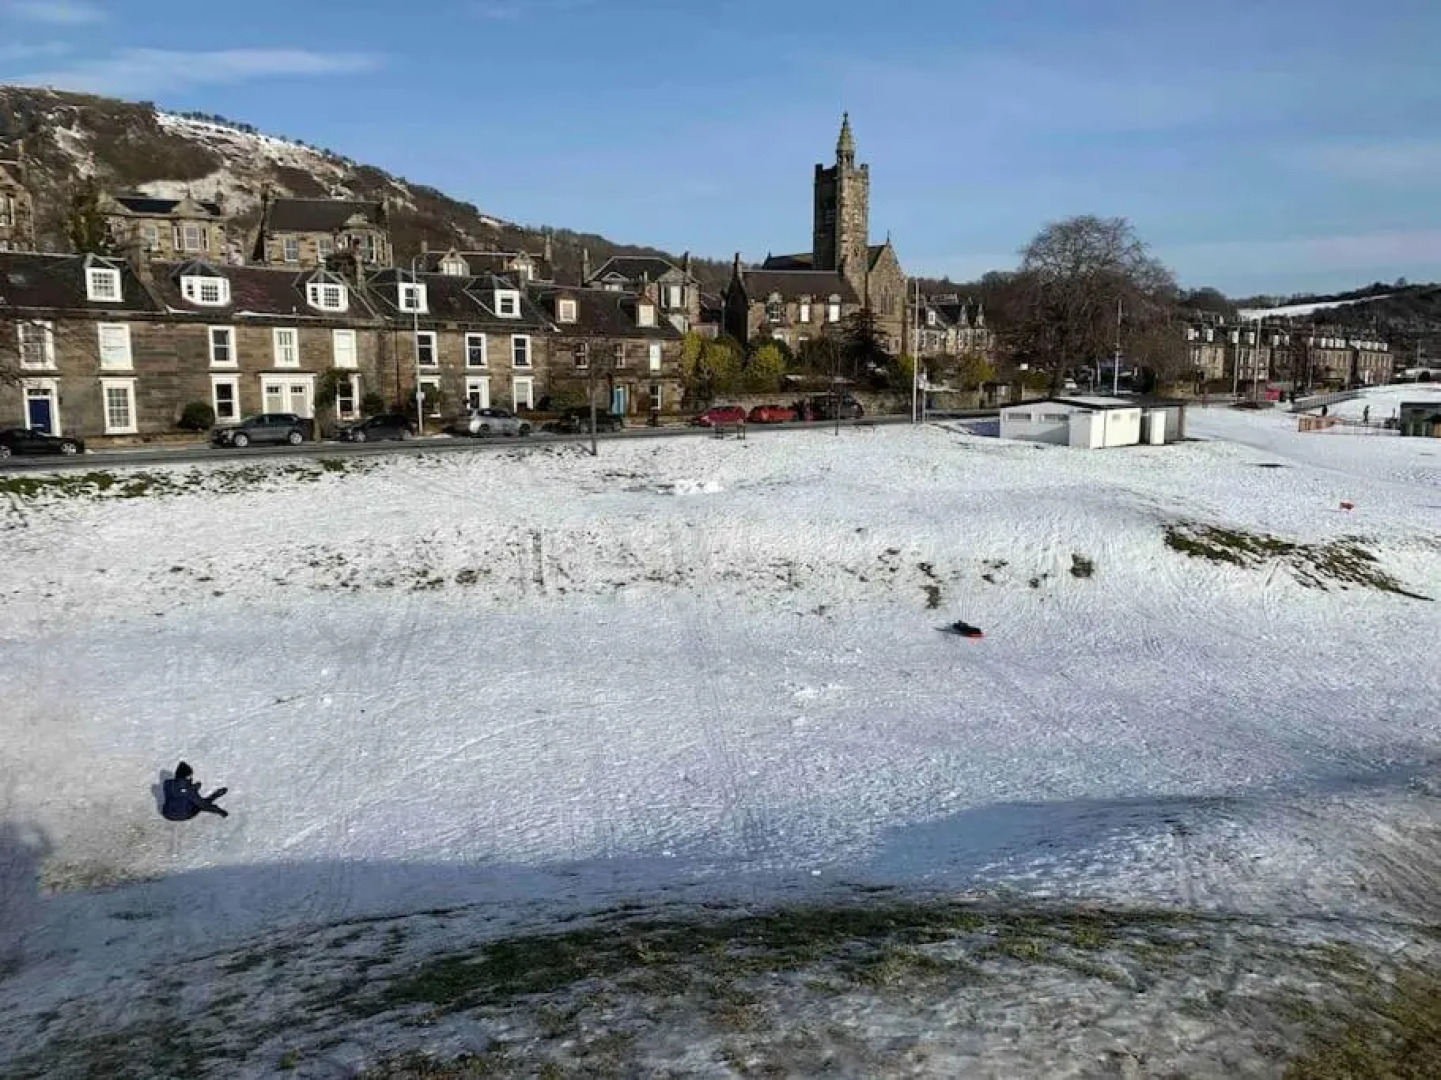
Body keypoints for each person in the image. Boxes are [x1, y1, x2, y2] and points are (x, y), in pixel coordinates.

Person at [161, 761, 228, 820]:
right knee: (199, 804)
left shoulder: (167, 783)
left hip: (167, 813)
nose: (191, 777)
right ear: (187, 777)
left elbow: (179, 791)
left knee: (180, 797)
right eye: (190, 776)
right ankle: (215, 795)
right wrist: (220, 811)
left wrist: (192, 788)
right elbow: (203, 806)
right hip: (185, 815)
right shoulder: (190, 791)